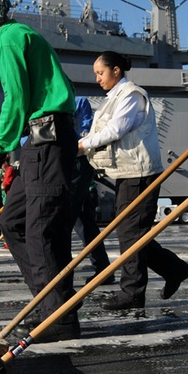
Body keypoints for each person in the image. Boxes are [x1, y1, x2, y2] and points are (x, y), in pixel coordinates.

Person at [0, 0, 80, 342]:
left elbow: (15, 98)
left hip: (47, 137)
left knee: (41, 230)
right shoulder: (12, 37)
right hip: (39, 141)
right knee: (12, 223)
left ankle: (58, 318)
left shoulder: (11, 38)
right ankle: (53, 304)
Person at [79, 51, 188, 310]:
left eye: (101, 72)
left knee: (130, 235)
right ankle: (175, 269)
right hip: (127, 174)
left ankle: (132, 293)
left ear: (116, 70)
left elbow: (116, 129)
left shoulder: (130, 95)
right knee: (134, 234)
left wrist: (82, 145)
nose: (97, 78)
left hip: (140, 174)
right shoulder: (114, 98)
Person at [70, 96, 112, 284]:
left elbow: (85, 131)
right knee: (83, 221)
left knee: (70, 217)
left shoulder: (78, 102)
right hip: (68, 163)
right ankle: (103, 268)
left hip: (77, 163)